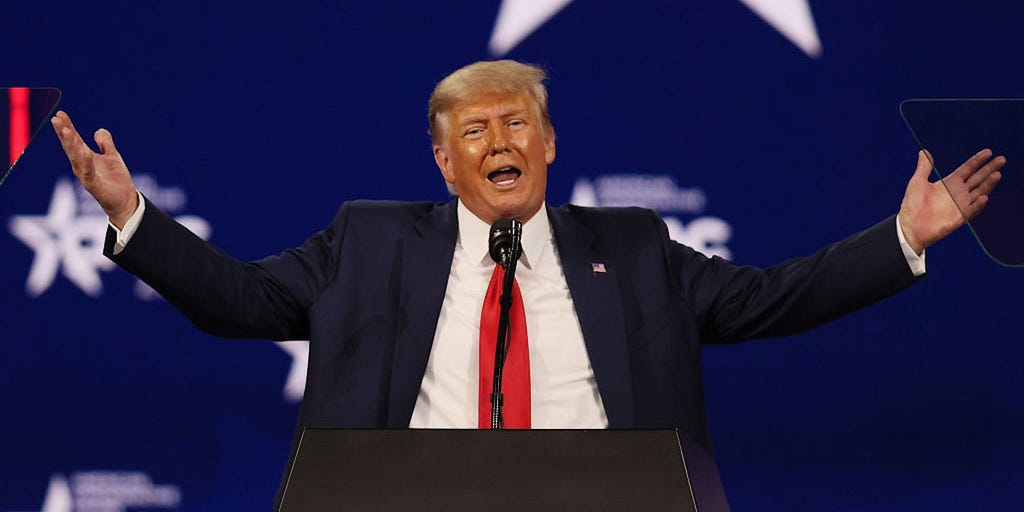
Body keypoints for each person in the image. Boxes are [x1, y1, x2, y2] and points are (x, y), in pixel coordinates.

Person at [52, 59, 1002, 500]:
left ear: (549, 145)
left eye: (516, 125)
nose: (499, 142)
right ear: (441, 162)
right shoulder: (369, 241)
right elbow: (240, 303)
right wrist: (132, 217)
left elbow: (766, 300)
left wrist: (901, 238)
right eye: (475, 131)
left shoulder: (630, 246)